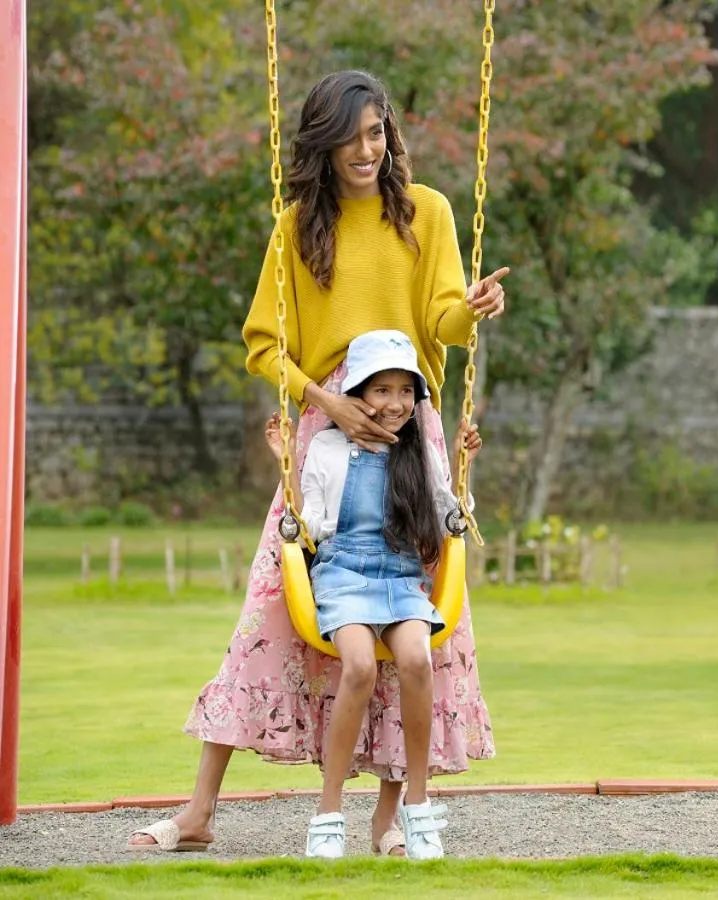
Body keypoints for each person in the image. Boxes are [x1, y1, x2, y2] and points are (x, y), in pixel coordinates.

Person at [128, 69, 507, 856]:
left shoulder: (427, 213)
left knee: (420, 622)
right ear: (324, 146)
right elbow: (264, 345)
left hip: (408, 426)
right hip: (324, 436)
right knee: (272, 612)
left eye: (376, 132)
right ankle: (199, 813)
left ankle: (389, 818)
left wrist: (468, 311)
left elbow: (437, 321)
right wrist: (327, 403)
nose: (366, 149)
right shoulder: (298, 227)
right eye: (350, 137)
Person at [266, 330, 480, 859]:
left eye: (406, 391)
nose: (395, 403)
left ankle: (419, 804)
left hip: (400, 575)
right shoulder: (326, 447)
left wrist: (458, 460)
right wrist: (284, 466)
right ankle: (329, 810)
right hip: (342, 574)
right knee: (358, 666)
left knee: (417, 660)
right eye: (382, 390)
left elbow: (450, 514)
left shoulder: (420, 452)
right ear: (359, 391)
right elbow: (310, 525)